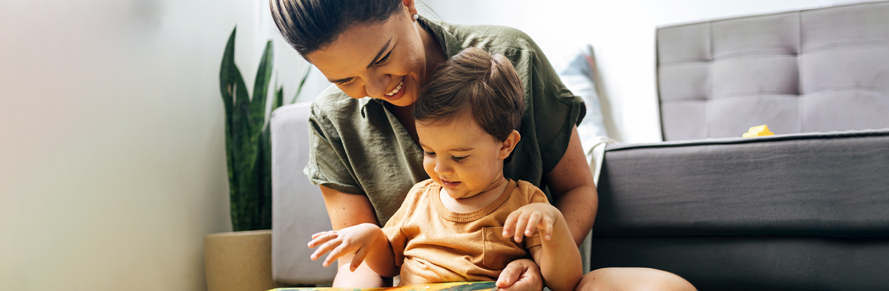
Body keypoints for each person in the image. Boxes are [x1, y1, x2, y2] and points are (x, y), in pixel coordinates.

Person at [269, 0, 696, 290]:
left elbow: (576, 189)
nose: (378, 88)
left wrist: (543, 264)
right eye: (345, 80)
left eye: (382, 58)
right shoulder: (330, 119)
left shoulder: (512, 57)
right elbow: (360, 263)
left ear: (408, 4)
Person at [308, 47, 583, 291]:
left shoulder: (525, 204)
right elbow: (389, 264)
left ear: (505, 145)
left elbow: (565, 283)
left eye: (459, 157)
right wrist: (370, 237)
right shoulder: (420, 198)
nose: (440, 168)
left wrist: (555, 225)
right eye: (429, 152)